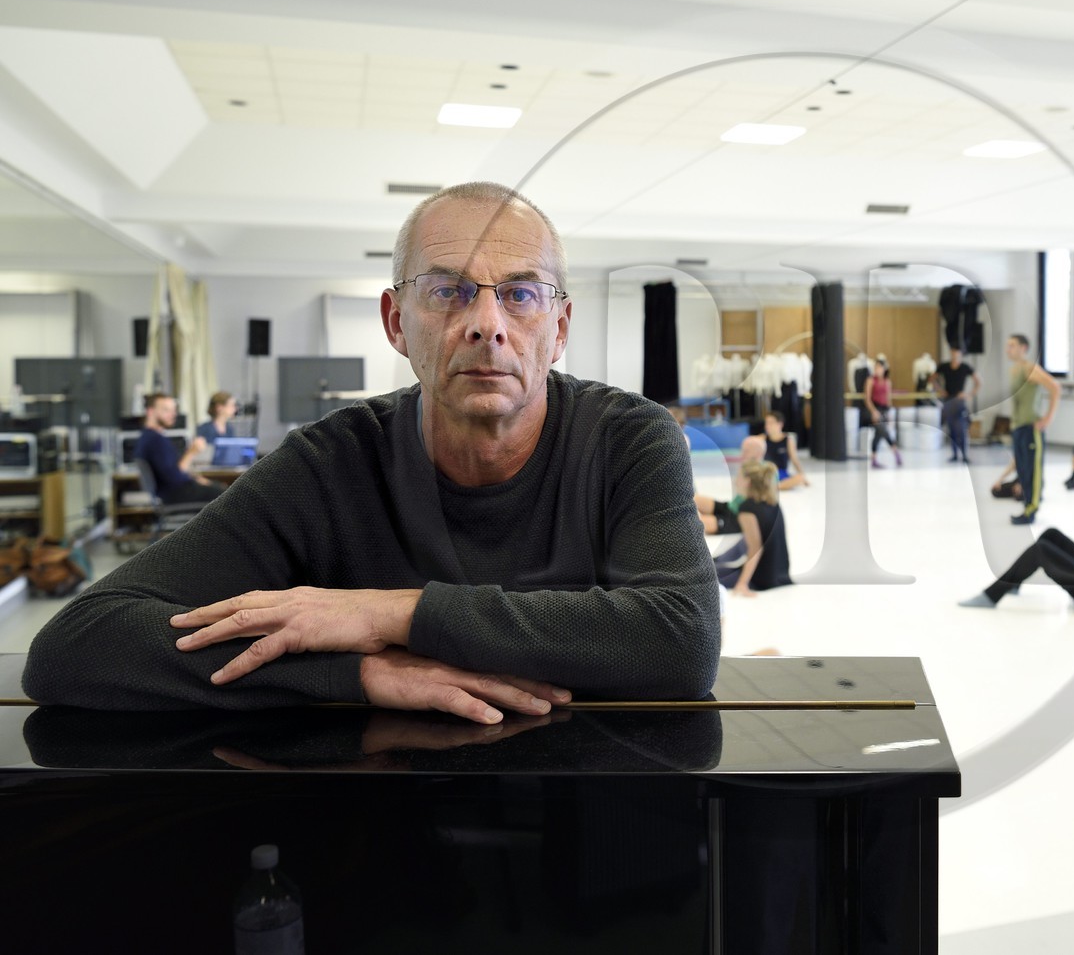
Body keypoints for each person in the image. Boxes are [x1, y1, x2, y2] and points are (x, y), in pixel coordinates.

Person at [23, 181, 721, 720]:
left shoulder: (628, 437)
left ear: (559, 325)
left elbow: (680, 640)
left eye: (520, 295)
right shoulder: (330, 463)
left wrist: (388, 614)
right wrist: (351, 674)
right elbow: (78, 645)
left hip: (590, 820)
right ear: (396, 321)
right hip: (376, 823)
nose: (487, 325)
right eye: (448, 291)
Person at [1004, 334, 1061, 526]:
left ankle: (1032, 509)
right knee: (1023, 471)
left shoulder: (1030, 368)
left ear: (1023, 348)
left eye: (1012, 345)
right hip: (1018, 428)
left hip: (1031, 428)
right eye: (1008, 345)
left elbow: (1055, 387)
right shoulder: (1014, 370)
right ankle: (1027, 505)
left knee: (1032, 472)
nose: (1008, 349)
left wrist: (1047, 418)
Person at [714, 461, 792, 596]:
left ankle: (716, 563)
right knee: (744, 541)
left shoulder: (747, 509)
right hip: (780, 574)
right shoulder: (772, 503)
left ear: (747, 482)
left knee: (703, 576)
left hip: (761, 578)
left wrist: (742, 583)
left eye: (738, 477)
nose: (735, 481)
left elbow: (755, 548)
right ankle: (715, 560)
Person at [133, 393, 222, 506]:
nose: (173, 414)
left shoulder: (150, 437)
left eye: (174, 410)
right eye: (166, 410)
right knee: (223, 494)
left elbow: (173, 470)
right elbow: (175, 477)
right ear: (150, 411)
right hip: (174, 495)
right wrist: (192, 452)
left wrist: (196, 479)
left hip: (172, 493)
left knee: (218, 489)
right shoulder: (155, 440)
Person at [695, 435, 767, 535]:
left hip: (740, 519)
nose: (742, 454)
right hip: (732, 507)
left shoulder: (764, 473)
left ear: (758, 453)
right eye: (742, 450)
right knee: (694, 498)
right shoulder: (746, 467)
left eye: (746, 451)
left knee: (693, 524)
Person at [931, 347, 979, 464]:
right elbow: (932, 379)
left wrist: (969, 394)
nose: (954, 356)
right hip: (948, 400)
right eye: (953, 354)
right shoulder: (944, 366)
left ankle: (964, 455)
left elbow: (978, 381)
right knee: (951, 429)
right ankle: (955, 455)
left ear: (961, 355)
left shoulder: (965, 367)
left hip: (959, 401)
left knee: (961, 429)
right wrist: (940, 390)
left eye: (957, 354)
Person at [863, 358, 902, 469]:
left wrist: (890, 412)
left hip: (885, 409)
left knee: (878, 435)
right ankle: (895, 451)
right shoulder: (870, 380)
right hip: (875, 409)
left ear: (884, 369)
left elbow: (888, 398)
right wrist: (873, 411)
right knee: (883, 430)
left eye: (879, 367)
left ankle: (874, 459)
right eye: (876, 367)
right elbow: (867, 398)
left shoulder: (887, 381)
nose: (877, 370)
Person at [761, 410, 809, 490]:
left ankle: (774, 487)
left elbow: (794, 459)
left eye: (771, 423)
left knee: (800, 478)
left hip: (781, 473)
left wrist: (803, 475)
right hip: (767, 473)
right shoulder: (762, 438)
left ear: (780, 424)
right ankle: (774, 486)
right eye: (766, 423)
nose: (767, 426)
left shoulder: (788, 440)